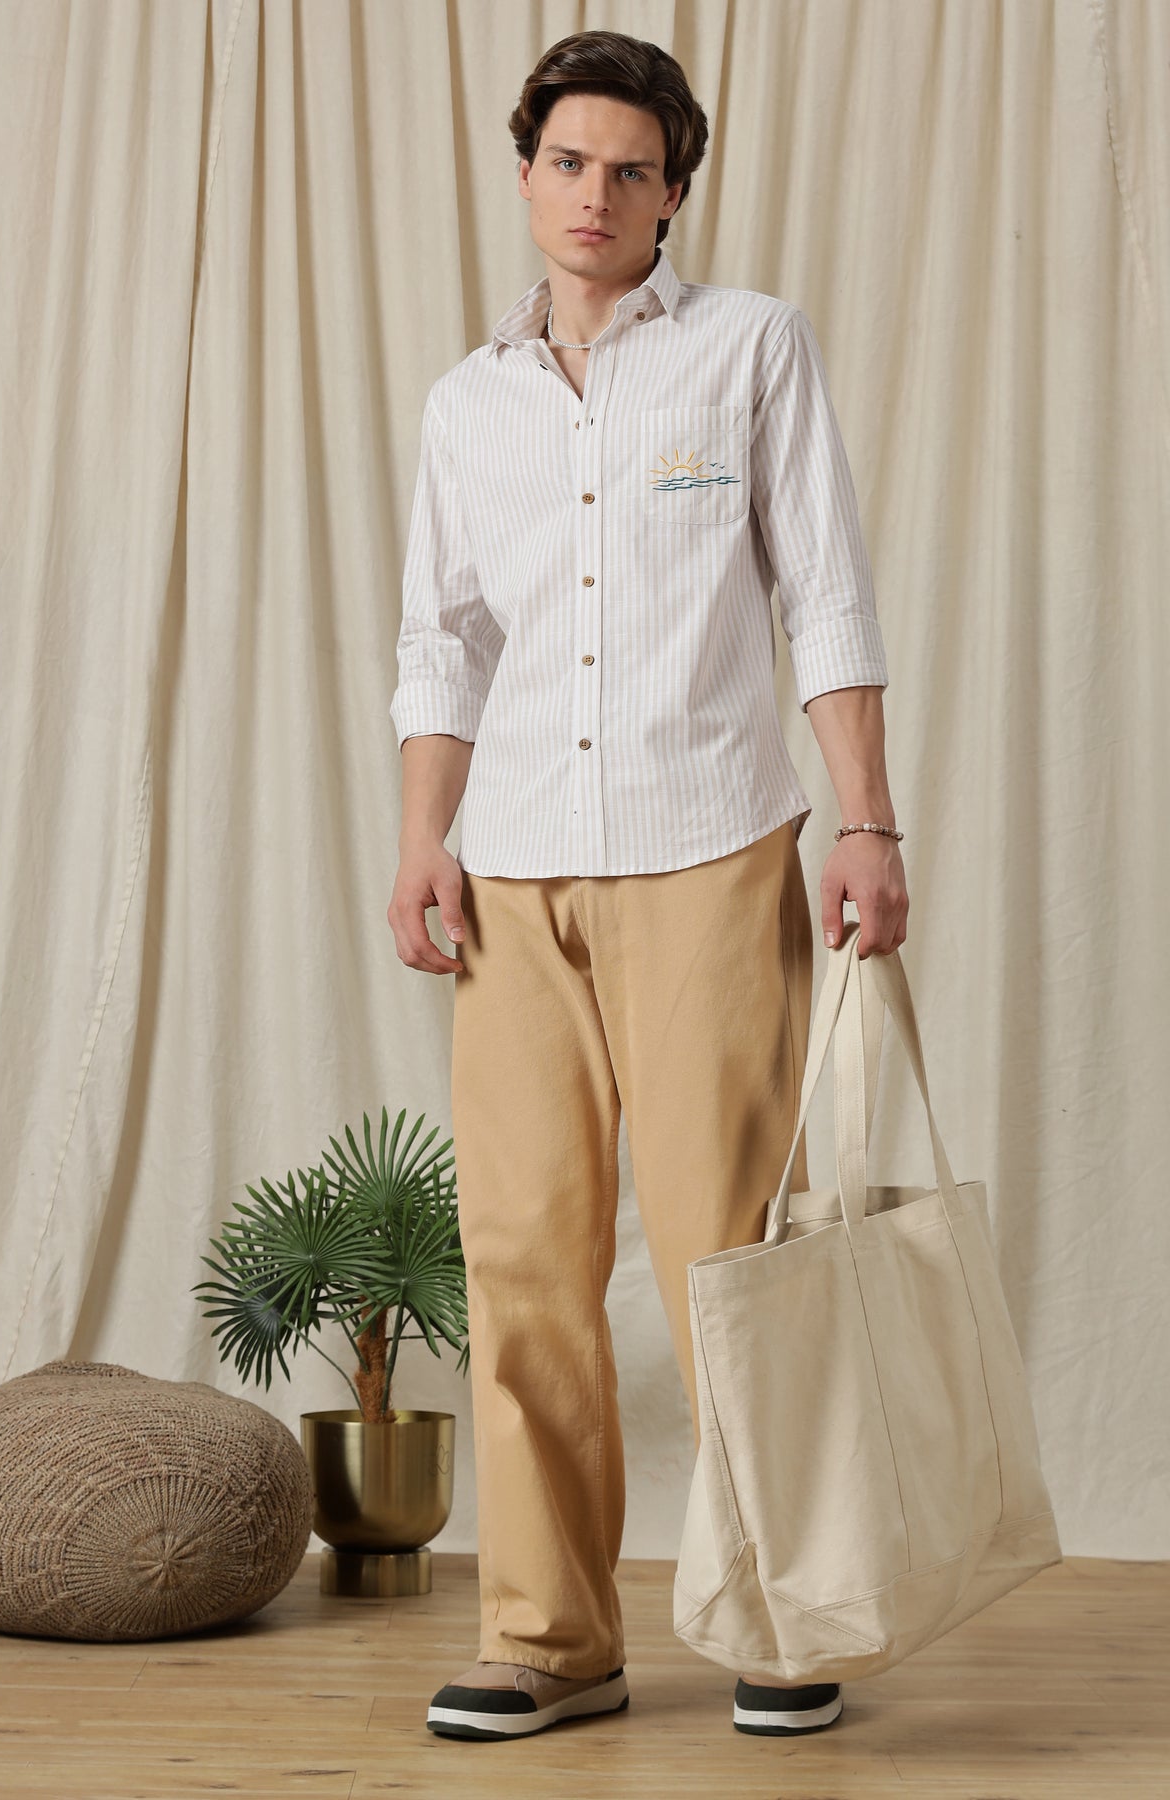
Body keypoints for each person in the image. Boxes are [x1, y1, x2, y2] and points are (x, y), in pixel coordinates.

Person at [387, 28, 908, 1744]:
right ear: (524, 174)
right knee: (524, 1256)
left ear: (673, 192)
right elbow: (443, 642)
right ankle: (549, 1640)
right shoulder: (467, 405)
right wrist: (423, 838)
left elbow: (824, 590)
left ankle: (783, 1619)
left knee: (728, 1254)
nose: (593, 195)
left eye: (629, 170)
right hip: (513, 870)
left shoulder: (751, 347)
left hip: (710, 851)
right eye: (567, 162)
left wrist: (867, 824)